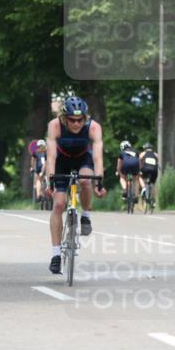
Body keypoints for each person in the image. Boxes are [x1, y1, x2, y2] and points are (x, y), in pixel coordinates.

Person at [43, 96, 106, 274]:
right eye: (72, 120)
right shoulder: (55, 126)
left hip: (83, 159)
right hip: (61, 161)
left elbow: (98, 157)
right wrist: (50, 179)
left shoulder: (93, 127)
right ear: (64, 118)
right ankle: (56, 255)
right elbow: (51, 157)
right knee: (59, 205)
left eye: (80, 120)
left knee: (86, 180)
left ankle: (85, 215)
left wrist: (99, 181)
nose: (77, 124)